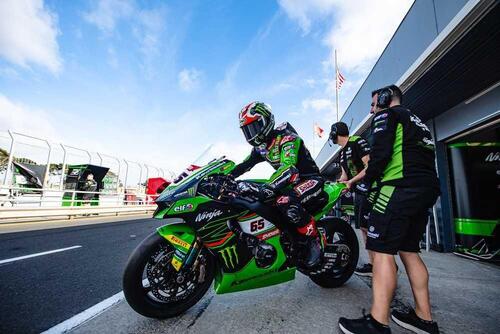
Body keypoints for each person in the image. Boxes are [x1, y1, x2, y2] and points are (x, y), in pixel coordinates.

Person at [338, 85, 440, 334]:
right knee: (409, 250)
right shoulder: (418, 122)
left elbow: (380, 156)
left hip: (398, 187)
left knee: (380, 250)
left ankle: (378, 322)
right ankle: (424, 318)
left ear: (385, 99)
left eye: (374, 103)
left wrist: (366, 183)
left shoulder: (387, 115)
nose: (372, 109)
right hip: (426, 189)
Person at [231, 101, 324, 268]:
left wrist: (267, 187)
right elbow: (244, 165)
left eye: (254, 127)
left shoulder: (287, 138)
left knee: (285, 202)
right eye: (247, 130)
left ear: (266, 121)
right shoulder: (261, 148)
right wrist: (222, 176)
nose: (251, 134)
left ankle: (313, 239)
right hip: (290, 184)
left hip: (309, 180)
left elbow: (288, 167)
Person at [329, 121, 373, 276]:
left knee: (370, 228)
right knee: (363, 228)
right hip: (359, 193)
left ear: (336, 133)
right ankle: (374, 264)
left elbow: (370, 166)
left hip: (371, 189)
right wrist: (336, 185)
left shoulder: (357, 141)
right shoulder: (341, 153)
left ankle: (384, 266)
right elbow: (344, 176)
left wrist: (351, 182)